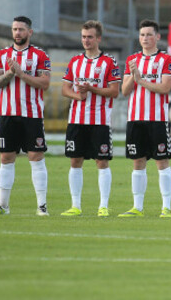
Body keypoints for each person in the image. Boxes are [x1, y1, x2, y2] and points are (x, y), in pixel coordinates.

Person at [0, 16, 51, 216]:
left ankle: (42, 206)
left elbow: (45, 84)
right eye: (15, 29)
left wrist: (22, 74)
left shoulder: (40, 55)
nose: (18, 33)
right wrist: (10, 74)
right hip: (8, 114)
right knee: (5, 157)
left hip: (32, 115)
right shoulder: (1, 54)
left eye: (22, 29)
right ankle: (2, 206)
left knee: (36, 157)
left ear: (30, 32)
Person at [60, 20, 121, 217]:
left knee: (101, 162)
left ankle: (103, 206)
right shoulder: (75, 61)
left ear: (99, 38)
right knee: (75, 161)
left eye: (90, 37)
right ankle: (75, 205)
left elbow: (114, 91)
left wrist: (91, 88)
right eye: (84, 37)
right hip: (76, 120)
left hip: (100, 121)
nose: (86, 40)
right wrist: (78, 95)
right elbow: (65, 89)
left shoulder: (109, 62)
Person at [118, 19, 171, 218]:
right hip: (135, 119)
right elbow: (124, 91)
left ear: (158, 37)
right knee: (138, 162)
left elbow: (165, 88)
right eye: (142, 35)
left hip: (157, 119)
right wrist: (134, 76)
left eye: (149, 34)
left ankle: (166, 207)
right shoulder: (132, 59)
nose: (145, 38)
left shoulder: (166, 60)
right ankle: (137, 207)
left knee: (162, 161)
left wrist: (141, 80)